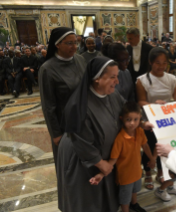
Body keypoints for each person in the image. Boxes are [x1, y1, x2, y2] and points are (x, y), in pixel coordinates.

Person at [57, 56, 153, 212]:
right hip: (82, 159)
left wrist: (142, 123)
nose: (118, 81)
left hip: (105, 157)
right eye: (113, 77)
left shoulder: (112, 95)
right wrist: (100, 163)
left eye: (117, 76)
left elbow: (127, 112)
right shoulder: (79, 105)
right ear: (97, 79)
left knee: (105, 198)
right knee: (87, 199)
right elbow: (81, 140)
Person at [136, 47, 176, 199]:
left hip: (167, 120)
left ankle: (164, 176)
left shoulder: (171, 79)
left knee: (166, 147)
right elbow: (140, 101)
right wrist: (154, 106)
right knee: (151, 145)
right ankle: (147, 173)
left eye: (164, 63)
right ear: (150, 63)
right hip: (150, 119)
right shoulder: (142, 80)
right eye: (157, 63)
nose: (161, 66)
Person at [90, 101, 155, 212]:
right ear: (122, 119)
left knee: (135, 190)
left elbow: (145, 145)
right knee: (125, 198)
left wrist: (152, 158)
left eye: (135, 119)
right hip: (125, 176)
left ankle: (134, 204)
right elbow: (113, 160)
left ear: (140, 118)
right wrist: (102, 174)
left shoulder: (139, 131)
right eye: (128, 119)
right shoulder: (120, 139)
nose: (132, 123)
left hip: (137, 172)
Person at [39, 27, 86, 167]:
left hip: (85, 121)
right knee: (68, 165)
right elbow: (48, 105)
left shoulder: (80, 59)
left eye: (76, 42)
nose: (74, 47)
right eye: (69, 43)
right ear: (58, 44)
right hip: (64, 126)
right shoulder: (47, 69)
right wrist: (55, 133)